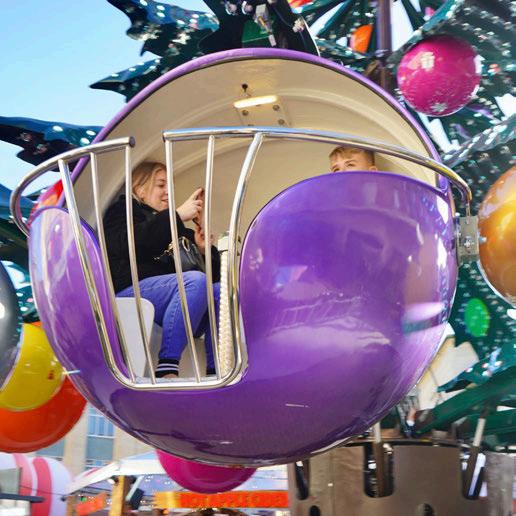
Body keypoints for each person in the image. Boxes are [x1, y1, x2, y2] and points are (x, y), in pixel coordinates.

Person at [103, 161, 221, 379]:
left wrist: (203, 250)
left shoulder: (177, 229)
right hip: (132, 291)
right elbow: (132, 244)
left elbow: (213, 279)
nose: (168, 191)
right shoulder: (124, 211)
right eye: (160, 185)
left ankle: (215, 370)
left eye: (170, 186)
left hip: (175, 298)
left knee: (219, 291)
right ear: (140, 190)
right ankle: (167, 366)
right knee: (194, 281)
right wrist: (176, 216)